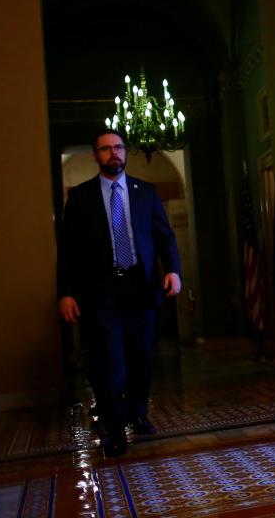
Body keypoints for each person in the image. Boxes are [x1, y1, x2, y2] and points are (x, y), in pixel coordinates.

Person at [58, 128, 182, 456]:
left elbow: (165, 236)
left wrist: (173, 269)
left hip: (141, 288)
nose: (114, 153)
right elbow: (68, 250)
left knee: (140, 357)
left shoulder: (146, 192)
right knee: (110, 361)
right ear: (95, 156)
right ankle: (115, 430)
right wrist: (66, 292)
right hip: (101, 293)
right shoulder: (80, 197)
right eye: (106, 149)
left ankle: (138, 413)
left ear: (125, 152)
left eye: (118, 148)